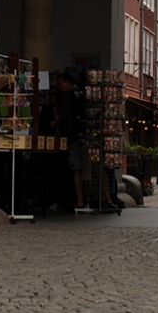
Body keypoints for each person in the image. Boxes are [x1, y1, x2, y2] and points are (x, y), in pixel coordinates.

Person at [57, 71, 87, 210]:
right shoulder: (81, 93)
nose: (59, 87)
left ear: (66, 82)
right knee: (91, 167)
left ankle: (79, 200)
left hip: (74, 137)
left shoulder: (68, 95)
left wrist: (67, 138)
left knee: (76, 168)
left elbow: (68, 118)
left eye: (60, 84)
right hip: (85, 135)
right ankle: (106, 198)